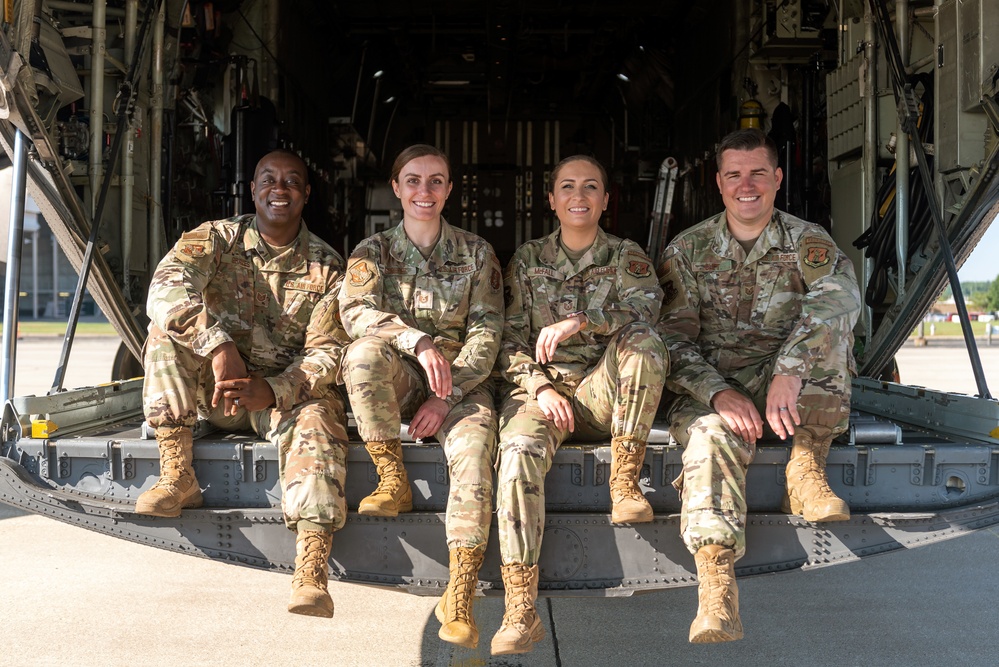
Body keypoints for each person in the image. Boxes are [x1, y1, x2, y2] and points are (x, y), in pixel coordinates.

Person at [656, 128, 861, 643]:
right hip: (715, 382)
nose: (746, 185)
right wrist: (716, 392)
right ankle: (716, 591)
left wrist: (790, 369)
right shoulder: (689, 249)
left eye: (757, 174)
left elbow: (840, 298)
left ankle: (806, 464)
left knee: (830, 338)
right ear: (719, 182)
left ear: (777, 178)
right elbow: (669, 341)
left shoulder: (806, 241)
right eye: (734, 175)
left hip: (783, 380)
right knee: (709, 438)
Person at [137, 149, 350, 619]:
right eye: (269, 180)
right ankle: (178, 474)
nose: (280, 189)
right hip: (211, 390)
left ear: (306, 194)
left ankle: (312, 567)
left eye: (293, 181)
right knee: (163, 334)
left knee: (319, 418)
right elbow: (165, 286)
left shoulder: (329, 268)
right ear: (252, 190)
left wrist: (274, 390)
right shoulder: (216, 238)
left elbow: (328, 352)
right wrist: (216, 346)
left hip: (277, 399)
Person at [492, 155, 667, 655]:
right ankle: (520, 607)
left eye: (591, 187)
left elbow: (648, 309)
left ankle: (625, 481)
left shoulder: (625, 256)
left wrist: (580, 319)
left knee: (646, 343)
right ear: (551, 199)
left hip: (603, 390)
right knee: (519, 449)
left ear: (606, 200)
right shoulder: (527, 260)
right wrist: (540, 388)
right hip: (543, 392)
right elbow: (506, 338)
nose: (579, 196)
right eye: (567, 186)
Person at [339, 144, 503, 649]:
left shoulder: (477, 253)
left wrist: (448, 394)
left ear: (450, 189)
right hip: (401, 375)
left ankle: (460, 591)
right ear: (396, 187)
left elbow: (489, 330)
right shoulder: (372, 253)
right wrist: (418, 341)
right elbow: (355, 314)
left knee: (475, 454)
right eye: (413, 181)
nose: (424, 191)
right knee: (363, 355)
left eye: (436, 181)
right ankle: (393, 479)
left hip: (463, 385)